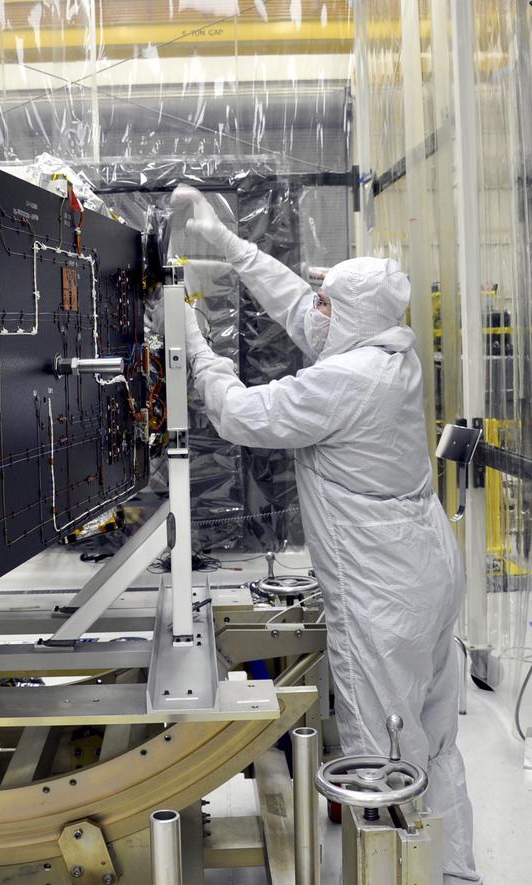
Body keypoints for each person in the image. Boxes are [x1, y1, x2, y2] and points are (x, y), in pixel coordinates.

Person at [171, 185, 479, 885]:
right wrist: (228, 242)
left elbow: (240, 413)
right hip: (426, 566)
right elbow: (298, 305)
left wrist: (189, 336)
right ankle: (456, 873)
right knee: (436, 743)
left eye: (331, 303)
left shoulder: (348, 381)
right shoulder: (384, 351)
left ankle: (398, 874)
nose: (319, 311)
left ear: (354, 317)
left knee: (384, 754)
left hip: (384, 590)